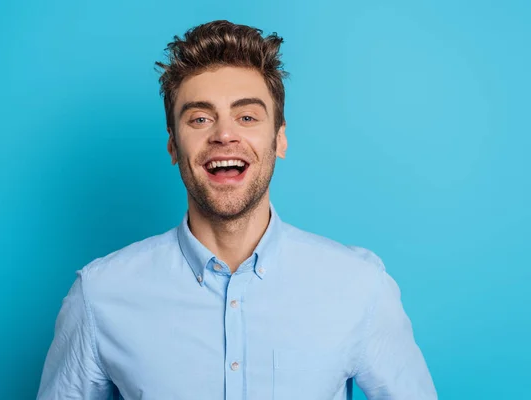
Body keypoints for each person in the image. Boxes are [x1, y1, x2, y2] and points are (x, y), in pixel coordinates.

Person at [37, 20, 437, 400]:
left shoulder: (359, 287)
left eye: (246, 116)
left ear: (279, 139)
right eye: (199, 118)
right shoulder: (99, 294)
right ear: (174, 146)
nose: (224, 134)